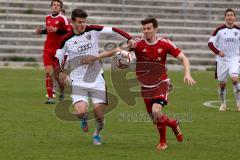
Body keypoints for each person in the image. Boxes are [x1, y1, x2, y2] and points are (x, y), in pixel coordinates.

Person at [84, 17, 196, 150]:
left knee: (156, 111)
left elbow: (183, 58)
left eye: (149, 28)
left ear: (155, 29)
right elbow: (116, 51)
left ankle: (163, 142)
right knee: (155, 119)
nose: (146, 31)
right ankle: (173, 123)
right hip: (146, 87)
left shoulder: (165, 43)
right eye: (144, 29)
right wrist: (96, 57)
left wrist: (187, 73)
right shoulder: (136, 44)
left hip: (162, 83)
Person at [55, 8, 135, 145]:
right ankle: (84, 117)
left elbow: (114, 29)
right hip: (78, 79)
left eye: (84, 22)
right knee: (80, 112)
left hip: (96, 77)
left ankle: (97, 134)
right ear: (72, 22)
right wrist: (61, 72)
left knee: (99, 115)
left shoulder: (93, 30)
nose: (82, 25)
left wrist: (129, 38)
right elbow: (57, 58)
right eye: (79, 22)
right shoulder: (65, 39)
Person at [35, 0, 71, 104]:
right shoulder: (47, 18)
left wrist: (57, 30)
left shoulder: (63, 18)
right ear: (51, 7)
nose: (55, 6)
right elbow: (49, 30)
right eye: (54, 5)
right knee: (48, 73)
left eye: (58, 5)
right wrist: (41, 32)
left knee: (57, 75)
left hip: (59, 51)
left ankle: (62, 91)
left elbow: (68, 32)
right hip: (47, 49)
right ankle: (50, 97)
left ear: (60, 8)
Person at [208, 8, 240, 112]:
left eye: (231, 15)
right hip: (222, 61)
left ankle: (239, 104)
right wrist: (218, 52)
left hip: (235, 59)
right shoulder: (219, 30)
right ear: (225, 17)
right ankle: (223, 104)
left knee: (235, 79)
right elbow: (210, 43)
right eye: (228, 15)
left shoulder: (238, 30)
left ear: (234, 17)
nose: (230, 17)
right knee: (222, 84)